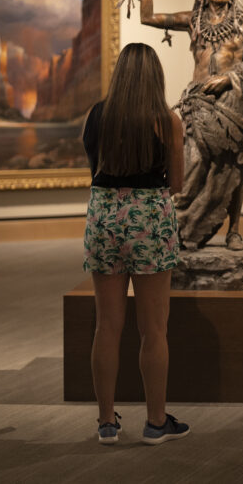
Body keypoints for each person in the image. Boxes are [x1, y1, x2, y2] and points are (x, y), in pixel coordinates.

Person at [81, 43, 190, 445]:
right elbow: (176, 184)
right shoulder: (167, 121)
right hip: (149, 221)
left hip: (104, 216)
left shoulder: (96, 116)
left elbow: (94, 168)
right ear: (155, 78)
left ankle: (106, 422)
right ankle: (156, 422)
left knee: (107, 325)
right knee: (153, 329)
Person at [139, 0, 243, 251]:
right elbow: (147, 17)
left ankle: (233, 230)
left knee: (236, 168)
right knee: (192, 163)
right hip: (198, 105)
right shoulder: (192, 20)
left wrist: (229, 78)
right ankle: (183, 225)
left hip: (234, 104)